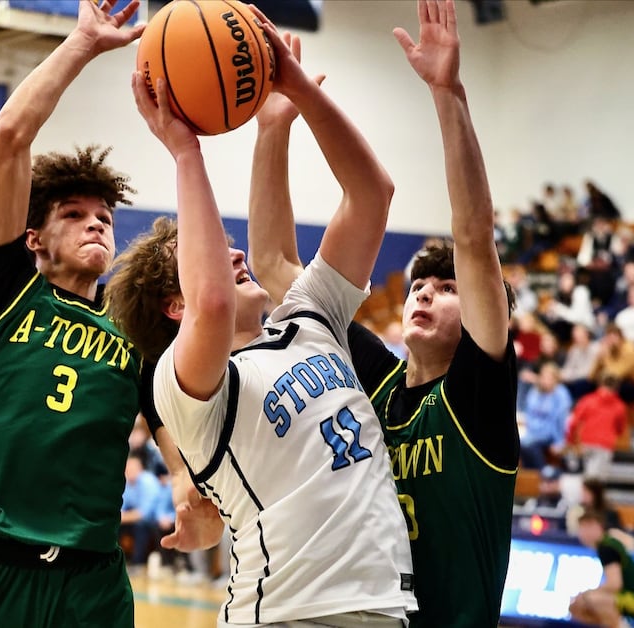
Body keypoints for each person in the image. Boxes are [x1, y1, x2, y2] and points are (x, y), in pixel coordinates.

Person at [105, 11, 416, 627]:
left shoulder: (310, 319)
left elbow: (372, 196)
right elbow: (215, 304)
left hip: (383, 605)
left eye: (228, 245)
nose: (235, 255)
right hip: (285, 613)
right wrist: (185, 151)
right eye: (210, 255)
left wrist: (295, 93)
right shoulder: (184, 387)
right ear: (176, 306)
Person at [0, 3, 221, 627]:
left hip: (95, 577)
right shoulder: (7, 294)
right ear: (33, 239)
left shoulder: (134, 330)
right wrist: (83, 43)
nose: (95, 223)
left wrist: (186, 487)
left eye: (104, 216)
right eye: (73, 215)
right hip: (0, 566)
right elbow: (10, 136)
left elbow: (164, 419)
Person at [246, 2, 518, 626]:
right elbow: (274, 266)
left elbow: (474, 234)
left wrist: (447, 93)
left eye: (446, 288)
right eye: (420, 285)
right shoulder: (378, 381)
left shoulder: (476, 393)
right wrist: (272, 131)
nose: (423, 293)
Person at [569, 509, 634, 627]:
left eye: (586, 528)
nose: (582, 533)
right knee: (578, 605)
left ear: (598, 527)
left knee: (592, 600)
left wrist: (586, 594)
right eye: (581, 529)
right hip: (628, 596)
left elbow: (615, 584)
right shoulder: (606, 543)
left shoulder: (606, 548)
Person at [565, 374, 627, 480]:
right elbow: (620, 429)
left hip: (585, 443)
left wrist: (570, 441)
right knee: (596, 482)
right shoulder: (619, 406)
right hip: (604, 445)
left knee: (584, 478)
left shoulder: (587, 400)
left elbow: (573, 423)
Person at [519, 362, 572, 470]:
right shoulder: (535, 392)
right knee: (519, 444)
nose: (545, 381)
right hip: (532, 433)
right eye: (543, 377)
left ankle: (542, 471)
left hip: (551, 434)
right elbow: (529, 414)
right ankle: (533, 473)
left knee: (529, 446)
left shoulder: (561, 394)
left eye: (549, 378)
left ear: (555, 380)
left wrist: (560, 442)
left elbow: (561, 420)